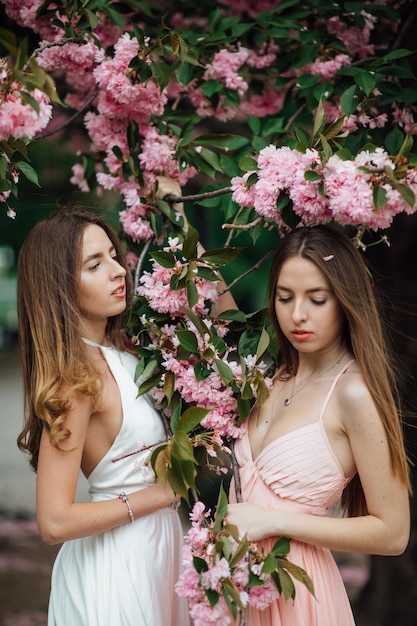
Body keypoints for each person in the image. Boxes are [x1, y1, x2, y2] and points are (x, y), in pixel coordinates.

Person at [225, 224, 411, 626]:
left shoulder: (353, 394)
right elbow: (209, 305)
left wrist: (273, 521)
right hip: (235, 588)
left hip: (300, 595)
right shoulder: (268, 377)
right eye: (285, 297)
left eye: (317, 299)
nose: (297, 315)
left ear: (344, 301)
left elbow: (393, 534)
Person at [16, 206, 191, 626]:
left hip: (160, 549)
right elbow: (54, 521)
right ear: (59, 285)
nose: (119, 271)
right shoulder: (73, 382)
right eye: (95, 264)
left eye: (114, 255)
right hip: (115, 565)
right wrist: (161, 494)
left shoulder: (128, 353)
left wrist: (179, 217)